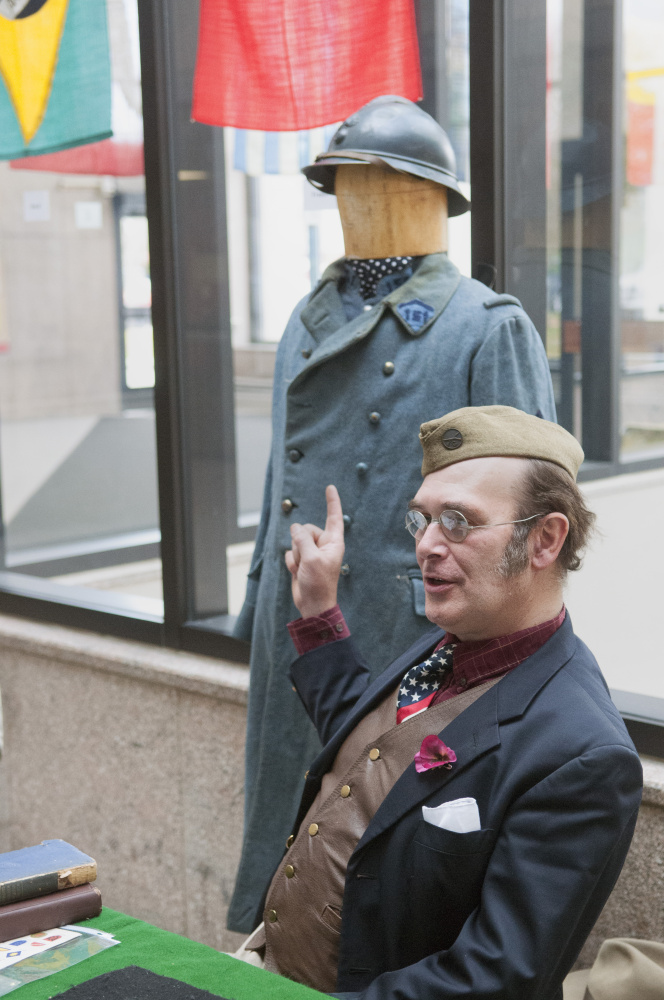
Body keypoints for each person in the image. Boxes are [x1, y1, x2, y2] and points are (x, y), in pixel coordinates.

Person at [228, 96, 558, 931]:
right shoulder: (307, 321)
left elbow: (530, 507)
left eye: (373, 182)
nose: (355, 202)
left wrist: (516, 651)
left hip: (413, 630)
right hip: (301, 613)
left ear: (425, 195)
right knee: (289, 835)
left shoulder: (484, 326)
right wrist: (262, 597)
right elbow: (281, 483)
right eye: (341, 185)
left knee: (386, 865)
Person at [238, 406, 642, 1000]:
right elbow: (374, 750)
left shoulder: (583, 754)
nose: (425, 545)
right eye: (422, 519)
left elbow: (494, 976)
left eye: (458, 521)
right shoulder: (447, 644)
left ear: (545, 539)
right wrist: (320, 615)